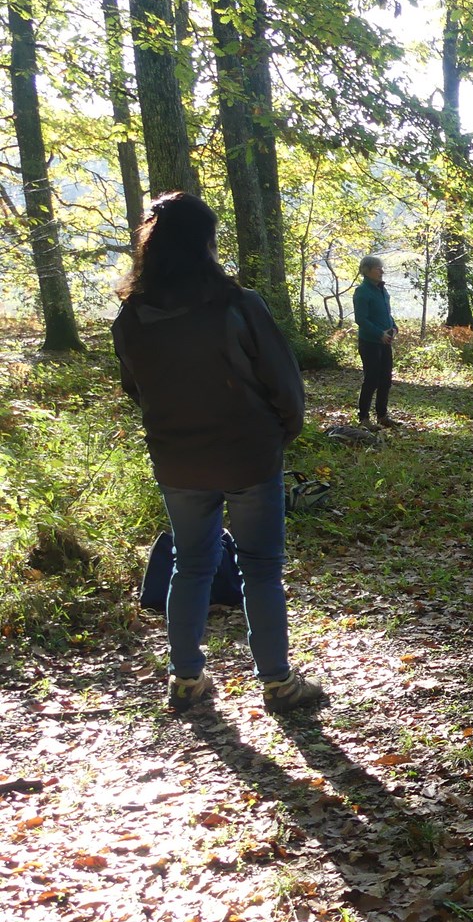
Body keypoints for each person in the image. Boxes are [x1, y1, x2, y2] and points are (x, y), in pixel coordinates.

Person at [111, 192, 326, 712]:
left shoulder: (131, 317)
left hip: (178, 460)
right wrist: (279, 436)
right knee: (260, 568)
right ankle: (276, 682)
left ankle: (186, 678)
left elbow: (134, 387)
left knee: (191, 565)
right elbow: (286, 386)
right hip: (248, 455)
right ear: (206, 243)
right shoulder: (238, 305)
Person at [353, 254, 398, 427]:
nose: (381, 271)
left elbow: (387, 314)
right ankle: (364, 418)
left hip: (385, 343)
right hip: (369, 343)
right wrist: (379, 333)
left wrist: (393, 327)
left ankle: (382, 416)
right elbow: (361, 319)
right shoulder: (362, 291)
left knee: (385, 379)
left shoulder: (382, 289)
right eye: (378, 268)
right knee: (371, 379)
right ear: (367, 270)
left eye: (381, 268)